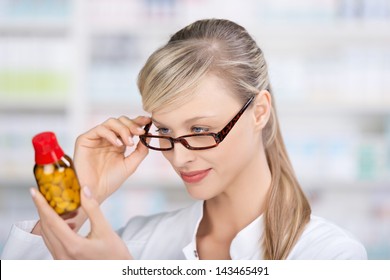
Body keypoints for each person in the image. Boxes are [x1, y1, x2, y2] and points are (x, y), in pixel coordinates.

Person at [1, 19, 366, 260]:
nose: (179, 158)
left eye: (200, 130)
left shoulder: (330, 256)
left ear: (259, 111)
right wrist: (78, 201)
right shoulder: (138, 240)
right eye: (164, 131)